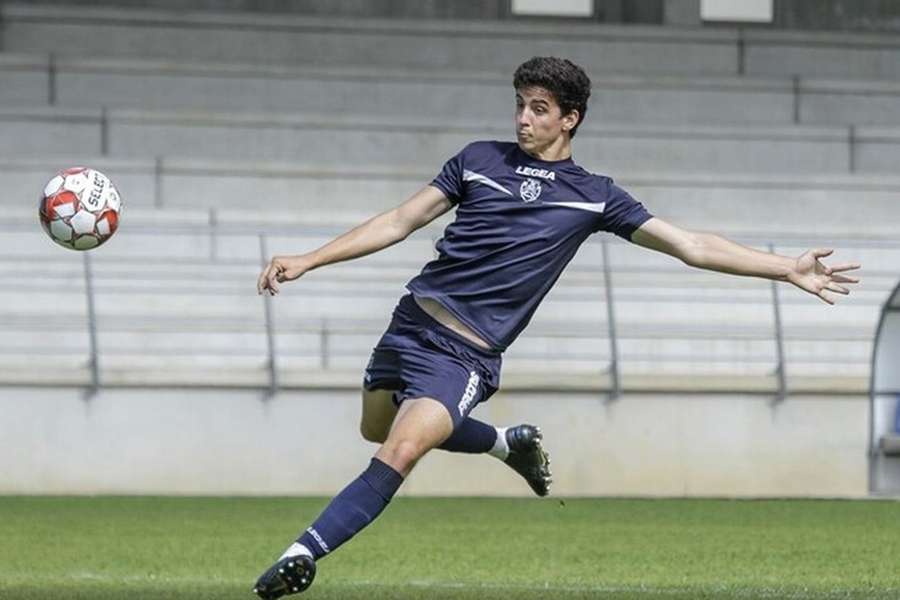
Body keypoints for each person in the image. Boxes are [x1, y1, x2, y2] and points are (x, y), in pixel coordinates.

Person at [251, 56, 861, 598]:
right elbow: (399, 222)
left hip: (465, 355)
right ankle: (504, 443)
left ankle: (301, 554)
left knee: (401, 449)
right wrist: (309, 258)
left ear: (569, 119)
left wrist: (787, 268)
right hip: (409, 325)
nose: (523, 118)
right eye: (520, 105)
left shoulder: (593, 195)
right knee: (374, 427)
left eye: (538, 109)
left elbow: (691, 245)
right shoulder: (478, 160)